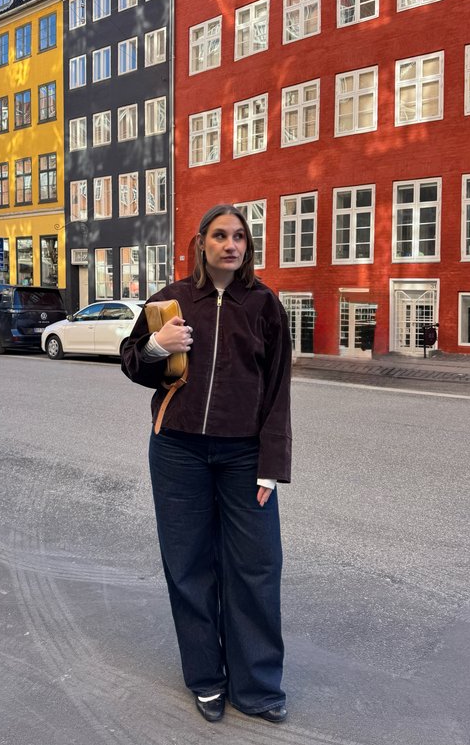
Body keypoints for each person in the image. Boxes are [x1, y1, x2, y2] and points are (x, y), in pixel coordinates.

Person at [121, 204, 292, 724]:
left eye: (239, 236)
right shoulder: (170, 301)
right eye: (220, 235)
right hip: (178, 450)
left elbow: (279, 389)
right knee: (189, 565)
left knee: (257, 565)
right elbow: (132, 362)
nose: (230, 245)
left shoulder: (264, 305)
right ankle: (207, 678)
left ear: (248, 246)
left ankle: (257, 685)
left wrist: (270, 466)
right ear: (201, 243)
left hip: (243, 455)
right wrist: (156, 344)